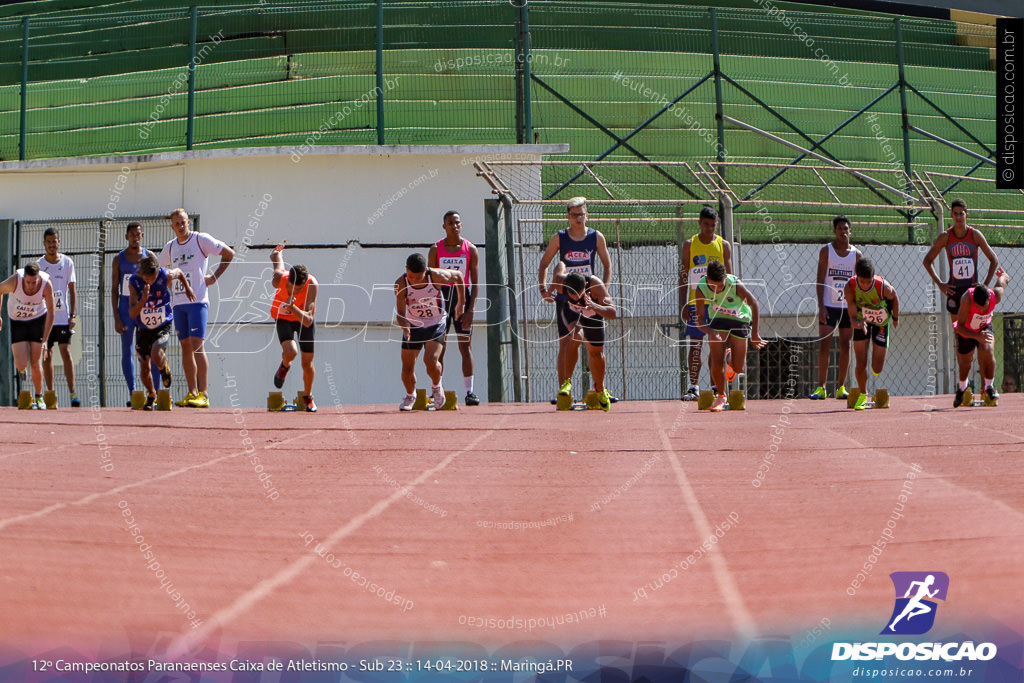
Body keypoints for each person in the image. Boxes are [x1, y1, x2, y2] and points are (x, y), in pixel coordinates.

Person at [158, 208, 234, 408]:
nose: (181, 227)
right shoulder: (171, 247)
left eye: (183, 222)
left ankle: (204, 393)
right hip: (179, 303)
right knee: (185, 346)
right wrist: (167, 283)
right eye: (177, 224)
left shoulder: (201, 240)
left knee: (197, 344)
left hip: (198, 301)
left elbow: (229, 253)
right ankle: (192, 393)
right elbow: (158, 269)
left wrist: (214, 278)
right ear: (172, 226)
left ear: (188, 223)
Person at [538, 197, 613, 400]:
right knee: (568, 341)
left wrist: (602, 291)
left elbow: (607, 264)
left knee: (594, 345)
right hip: (566, 297)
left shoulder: (596, 237)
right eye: (574, 215)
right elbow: (545, 263)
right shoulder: (560, 238)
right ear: (568, 217)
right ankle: (564, 391)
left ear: (587, 214)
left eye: (582, 214)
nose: (579, 218)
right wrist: (543, 289)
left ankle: (600, 388)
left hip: (588, 296)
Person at [395, 253, 465, 411]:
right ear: (406, 270)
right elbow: (399, 312)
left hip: (435, 323)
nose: (414, 280)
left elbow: (459, 276)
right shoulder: (401, 283)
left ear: (425, 271)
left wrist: (461, 303)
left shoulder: (436, 276)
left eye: (418, 277)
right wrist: (404, 324)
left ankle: (436, 387)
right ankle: (410, 395)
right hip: (413, 324)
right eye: (411, 277)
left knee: (431, 360)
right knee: (407, 367)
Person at [694, 260, 766, 412]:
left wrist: (755, 333)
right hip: (718, 320)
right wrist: (710, 332)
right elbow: (699, 319)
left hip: (740, 319)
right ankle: (721, 396)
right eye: (713, 286)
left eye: (720, 286)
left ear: (725, 278)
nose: (717, 289)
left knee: (739, 368)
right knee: (716, 360)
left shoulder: (735, 285)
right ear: (707, 279)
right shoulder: (701, 288)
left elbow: (754, 304)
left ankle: (729, 357)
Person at [680, 205, 733, 401]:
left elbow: (730, 278)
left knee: (716, 346)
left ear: (716, 225)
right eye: (706, 225)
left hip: (717, 304)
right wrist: (683, 303)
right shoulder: (690, 245)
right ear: (699, 223)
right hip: (696, 303)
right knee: (695, 345)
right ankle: (693, 386)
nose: (709, 229)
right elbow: (684, 274)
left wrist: (730, 304)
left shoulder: (723, 245)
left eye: (713, 225)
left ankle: (714, 386)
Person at [428, 210, 480, 406]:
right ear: (444, 226)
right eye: (450, 223)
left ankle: (470, 392)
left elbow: (475, 284)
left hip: (462, 298)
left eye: (457, 222)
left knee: (465, 345)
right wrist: (433, 307)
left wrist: (470, 309)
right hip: (441, 298)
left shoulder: (470, 249)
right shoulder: (435, 250)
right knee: (439, 347)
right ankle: (437, 389)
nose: (455, 226)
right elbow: (431, 281)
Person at [128, 254, 193, 410]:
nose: (150, 281)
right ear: (142, 275)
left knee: (156, 354)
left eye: (153, 277)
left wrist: (188, 288)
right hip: (143, 328)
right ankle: (151, 395)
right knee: (144, 368)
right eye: (147, 278)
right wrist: (143, 299)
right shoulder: (134, 282)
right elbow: (132, 313)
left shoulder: (164, 274)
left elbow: (179, 272)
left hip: (162, 324)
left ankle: (164, 369)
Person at [547, 267, 617, 410]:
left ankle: (600, 389)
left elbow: (612, 312)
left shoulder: (595, 285)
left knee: (596, 353)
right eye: (571, 294)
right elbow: (558, 270)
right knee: (576, 336)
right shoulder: (561, 282)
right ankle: (567, 382)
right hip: (572, 313)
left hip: (593, 312)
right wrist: (546, 292)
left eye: (578, 294)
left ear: (585, 287)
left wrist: (594, 305)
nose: (574, 297)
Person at [922, 198, 998, 323]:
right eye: (955, 213)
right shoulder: (945, 237)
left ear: (966, 215)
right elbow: (927, 261)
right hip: (955, 290)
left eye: (961, 213)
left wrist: (984, 285)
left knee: (973, 329)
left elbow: (994, 260)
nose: (958, 217)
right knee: (958, 333)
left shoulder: (975, 235)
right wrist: (940, 284)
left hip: (972, 291)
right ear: (951, 215)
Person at [810, 215, 860, 401]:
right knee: (825, 344)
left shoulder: (857, 255)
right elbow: (820, 279)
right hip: (829, 305)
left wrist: (856, 310)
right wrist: (821, 305)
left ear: (850, 231)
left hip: (847, 307)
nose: (843, 231)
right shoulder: (826, 251)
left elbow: (859, 285)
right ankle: (821, 387)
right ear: (834, 231)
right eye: (840, 228)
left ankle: (841, 387)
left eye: (846, 228)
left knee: (845, 345)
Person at [112, 222, 160, 407]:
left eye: (137, 234)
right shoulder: (119, 259)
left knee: (151, 352)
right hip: (126, 310)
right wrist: (116, 316)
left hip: (146, 310)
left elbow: (158, 285)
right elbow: (114, 289)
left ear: (142, 236)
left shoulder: (150, 256)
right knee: (127, 351)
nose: (135, 238)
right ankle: (133, 392)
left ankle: (153, 392)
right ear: (126, 237)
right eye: (131, 235)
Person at [844, 257, 900, 410]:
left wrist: (895, 317)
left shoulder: (882, 286)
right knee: (860, 362)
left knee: (877, 367)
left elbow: (894, 297)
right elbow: (852, 315)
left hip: (880, 321)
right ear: (857, 278)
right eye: (862, 282)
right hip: (862, 319)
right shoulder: (850, 287)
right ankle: (863, 394)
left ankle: (879, 350)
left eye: (868, 282)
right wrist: (858, 323)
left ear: (873, 278)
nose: (865, 285)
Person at [270, 244, 319, 412]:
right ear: (288, 280)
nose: (293, 292)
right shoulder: (280, 278)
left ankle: (308, 396)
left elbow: (308, 320)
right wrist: (277, 252)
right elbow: (276, 260)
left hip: (302, 318)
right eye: (291, 287)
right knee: (291, 352)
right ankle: (284, 365)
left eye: (298, 290)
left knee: (307, 363)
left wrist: (294, 308)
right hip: (283, 317)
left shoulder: (312, 285)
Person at [0, 263, 55, 409]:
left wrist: (45, 339)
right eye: (28, 282)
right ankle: (22, 369)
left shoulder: (46, 284)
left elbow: (51, 311)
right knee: (22, 363)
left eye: (34, 282)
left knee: (36, 362)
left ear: (38, 278)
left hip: (37, 320)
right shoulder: (15, 281)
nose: (31, 286)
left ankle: (39, 397)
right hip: (18, 321)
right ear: (24, 278)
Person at [952, 269, 1010, 407]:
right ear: (974, 302)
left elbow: (1003, 281)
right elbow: (959, 326)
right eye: (980, 308)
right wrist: (977, 336)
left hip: (984, 327)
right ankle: (962, 388)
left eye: (986, 307)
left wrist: (1003, 275)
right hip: (967, 329)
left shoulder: (996, 295)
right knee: (965, 363)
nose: (983, 310)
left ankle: (989, 386)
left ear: (990, 299)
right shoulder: (966, 300)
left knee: (988, 351)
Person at [37, 228, 79, 407]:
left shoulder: (67, 262)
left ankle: (73, 394)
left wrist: (73, 315)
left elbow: (72, 289)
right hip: (46, 317)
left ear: (58, 242)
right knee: (46, 355)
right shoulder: (39, 265)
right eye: (49, 242)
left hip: (63, 317)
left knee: (66, 352)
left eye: (54, 241)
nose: (52, 245)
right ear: (44, 244)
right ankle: (50, 395)